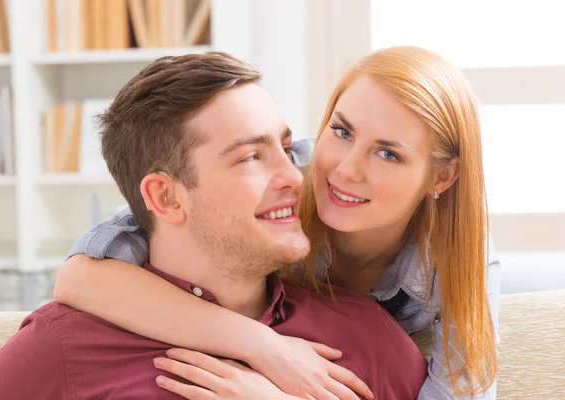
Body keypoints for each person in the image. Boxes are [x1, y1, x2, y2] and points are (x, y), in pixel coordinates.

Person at [0, 52, 428, 400]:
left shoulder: (366, 338)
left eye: (286, 151)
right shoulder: (60, 351)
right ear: (166, 197)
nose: (294, 176)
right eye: (251, 157)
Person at [54, 46, 500, 399]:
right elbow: (81, 275)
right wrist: (262, 346)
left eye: (389, 153)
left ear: (440, 176)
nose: (345, 170)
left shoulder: (461, 260)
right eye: (341, 131)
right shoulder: (287, 177)